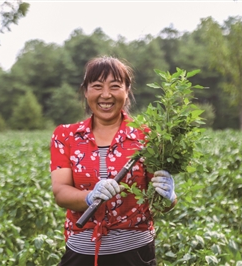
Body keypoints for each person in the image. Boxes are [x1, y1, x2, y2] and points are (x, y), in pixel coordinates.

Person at [50, 56, 177, 266]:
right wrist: (89, 197)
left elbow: (161, 204)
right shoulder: (66, 136)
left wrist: (169, 197)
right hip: (82, 252)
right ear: (86, 91)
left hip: (135, 253)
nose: (106, 95)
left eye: (115, 86)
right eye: (97, 86)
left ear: (127, 91)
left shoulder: (147, 136)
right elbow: (61, 193)